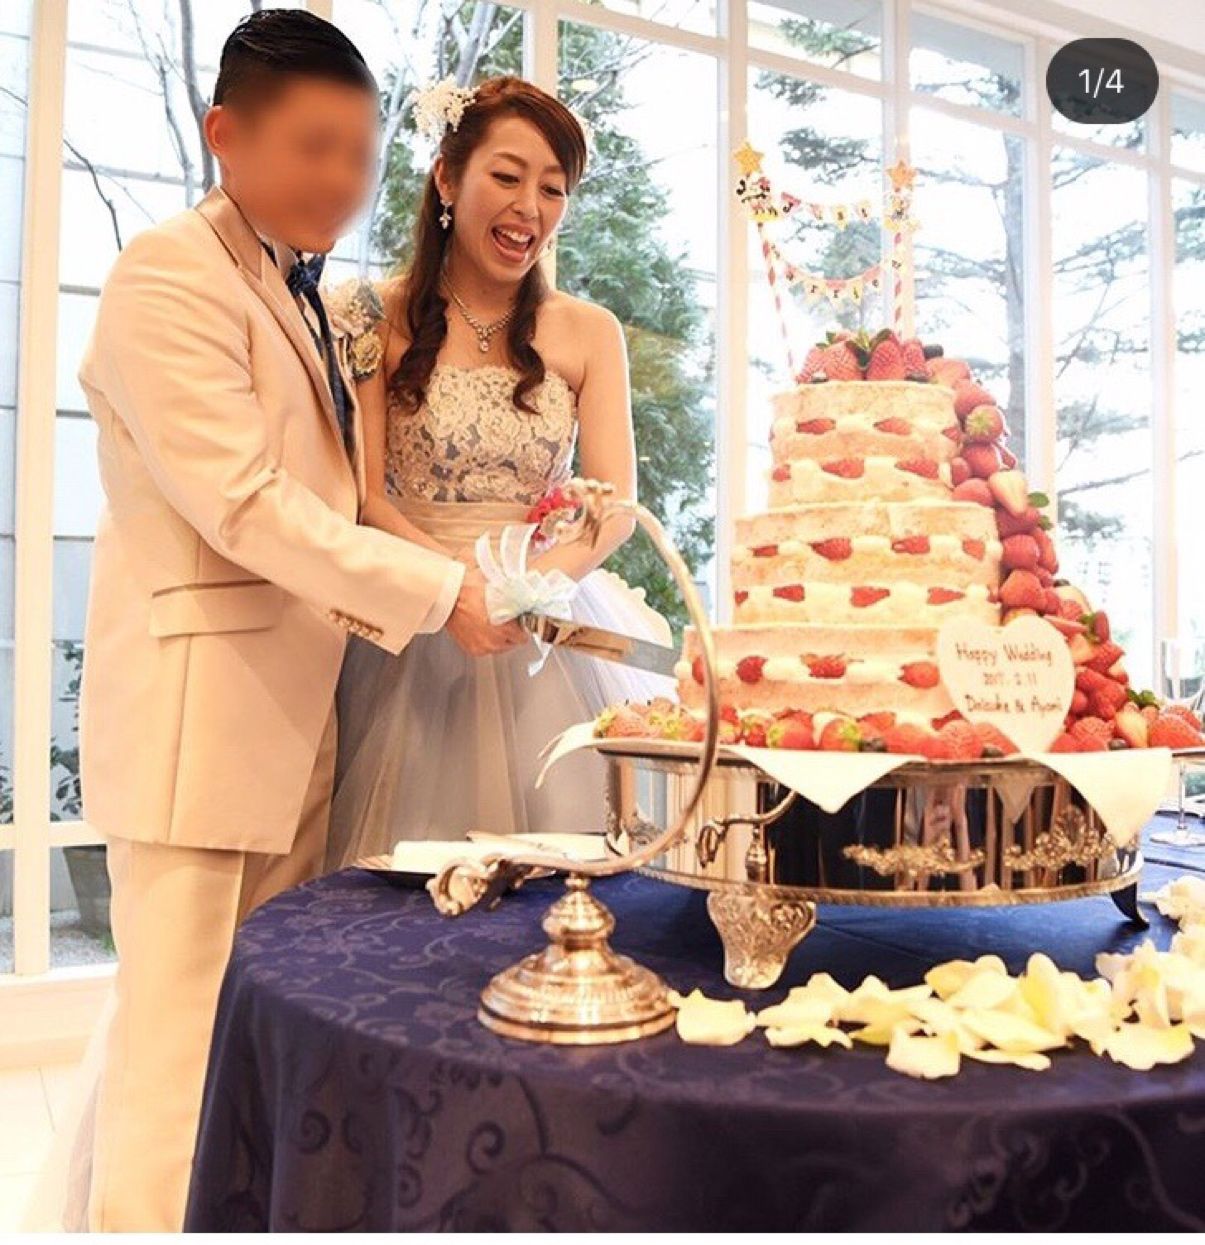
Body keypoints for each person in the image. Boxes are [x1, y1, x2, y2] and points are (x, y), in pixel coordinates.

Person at [22, 10, 520, 1232]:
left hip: (297, 722)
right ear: (224, 134)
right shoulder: (169, 276)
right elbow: (243, 502)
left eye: (359, 154)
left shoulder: (293, 286)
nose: (341, 181)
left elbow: (332, 488)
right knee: (177, 1060)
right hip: (200, 736)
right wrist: (436, 591)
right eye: (313, 147)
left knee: (255, 1046)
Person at [324, 75, 674, 865]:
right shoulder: (372, 314)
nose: (529, 209)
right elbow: (366, 496)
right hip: (413, 615)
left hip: (546, 623)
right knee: (404, 877)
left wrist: (527, 589)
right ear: (448, 180)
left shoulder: (588, 330)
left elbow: (615, 507)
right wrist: (457, 586)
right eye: (508, 176)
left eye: (553, 189)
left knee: (570, 869)